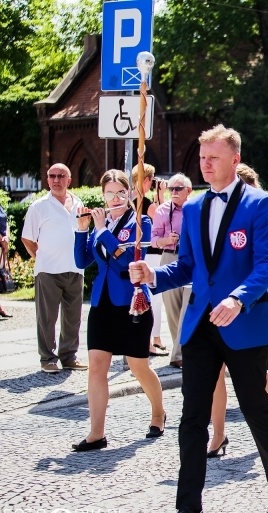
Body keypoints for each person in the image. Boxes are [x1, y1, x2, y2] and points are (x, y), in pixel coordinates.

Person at [130, 124, 268, 513]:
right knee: (191, 418)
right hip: (200, 324)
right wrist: (152, 274)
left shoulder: (260, 203)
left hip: (243, 320)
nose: (205, 163)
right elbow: (187, 267)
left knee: (255, 409)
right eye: (202, 157)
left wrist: (238, 298)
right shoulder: (195, 208)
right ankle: (189, 510)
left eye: (213, 157)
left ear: (234, 159)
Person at [72, 169, 165, 451]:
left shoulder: (140, 222)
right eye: (109, 193)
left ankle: (158, 413)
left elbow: (127, 263)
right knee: (97, 367)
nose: (114, 198)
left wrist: (101, 232)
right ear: (102, 195)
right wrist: (82, 229)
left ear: (129, 194)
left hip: (132, 302)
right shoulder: (100, 223)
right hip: (102, 303)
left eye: (120, 193)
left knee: (138, 366)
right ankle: (96, 432)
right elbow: (81, 261)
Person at [208, 163, 268, 457]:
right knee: (216, 372)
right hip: (216, 303)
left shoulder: (260, 211)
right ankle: (217, 435)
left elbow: (267, 261)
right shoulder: (211, 212)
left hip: (248, 302)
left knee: (258, 374)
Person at [21, 163, 87, 373]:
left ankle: (69, 356)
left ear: (69, 180)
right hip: (48, 270)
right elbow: (27, 239)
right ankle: (47, 358)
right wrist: (41, 256)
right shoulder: (38, 206)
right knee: (47, 318)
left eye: (61, 176)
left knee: (73, 317)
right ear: (47, 180)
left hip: (75, 269)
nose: (56, 180)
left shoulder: (79, 203)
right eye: (52, 176)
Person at [151, 173, 193, 369]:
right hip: (169, 257)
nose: (174, 192)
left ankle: (178, 355)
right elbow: (153, 239)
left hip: (191, 261)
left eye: (178, 189)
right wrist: (166, 240)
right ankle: (183, 349)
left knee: (187, 309)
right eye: (171, 189)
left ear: (189, 191)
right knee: (173, 310)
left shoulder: (196, 209)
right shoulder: (162, 210)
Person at [131, 163, 168, 357]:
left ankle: (152, 339)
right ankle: (151, 341)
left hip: (135, 255)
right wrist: (161, 196)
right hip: (151, 254)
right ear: (146, 180)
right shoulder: (145, 203)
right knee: (154, 298)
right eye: (151, 180)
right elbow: (165, 220)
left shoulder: (129, 199)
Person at [0, 201, 12, 317]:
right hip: (0, 242)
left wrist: (6, 238)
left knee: (1, 274)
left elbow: (6, 222)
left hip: (2, 244)